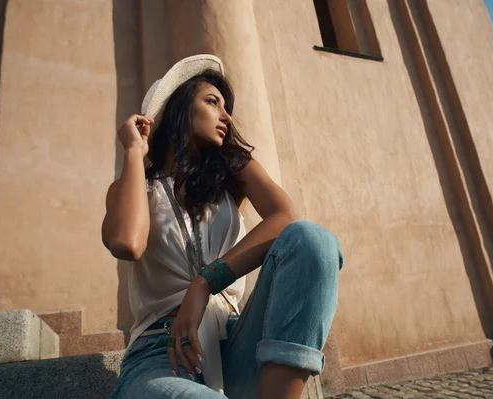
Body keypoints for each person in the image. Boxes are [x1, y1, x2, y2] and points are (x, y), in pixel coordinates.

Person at [102, 54, 343, 399]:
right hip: (161, 353)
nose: (226, 115)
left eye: (225, 106)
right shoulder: (134, 190)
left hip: (237, 345)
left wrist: (204, 283)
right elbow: (127, 243)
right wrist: (133, 151)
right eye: (212, 102)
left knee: (313, 240)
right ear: (178, 108)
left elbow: (285, 217)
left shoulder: (228, 179)